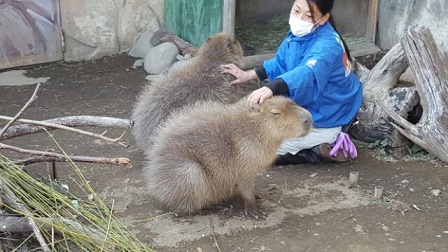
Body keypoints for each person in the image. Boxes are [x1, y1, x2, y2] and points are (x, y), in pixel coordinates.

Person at [221, 0, 363, 165]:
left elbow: (307, 74)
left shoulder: (327, 46)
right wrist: (249, 75)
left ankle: (318, 149)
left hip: (326, 115)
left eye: (308, 15)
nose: (299, 18)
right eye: (296, 11)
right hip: (311, 106)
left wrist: (272, 87)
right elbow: (282, 61)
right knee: (252, 135)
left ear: (323, 18)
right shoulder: (302, 34)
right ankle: (315, 144)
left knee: (258, 148)